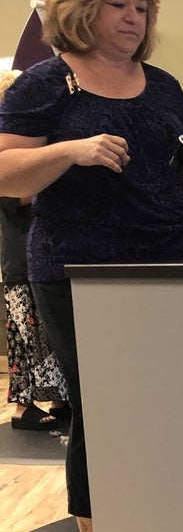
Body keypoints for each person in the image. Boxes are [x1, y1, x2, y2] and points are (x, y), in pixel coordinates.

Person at [0, 0, 183, 532]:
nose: (134, 18)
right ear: (82, 7)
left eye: (141, 6)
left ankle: (164, 516)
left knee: (167, 399)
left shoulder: (165, 87)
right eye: (117, 5)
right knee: (101, 403)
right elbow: (7, 171)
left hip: (166, 263)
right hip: (78, 271)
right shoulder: (46, 83)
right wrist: (70, 151)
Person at [0, 70, 70, 431]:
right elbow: (22, 194)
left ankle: (59, 398)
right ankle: (22, 407)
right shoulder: (9, 158)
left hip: (40, 259)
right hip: (20, 262)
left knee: (48, 338)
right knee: (25, 340)